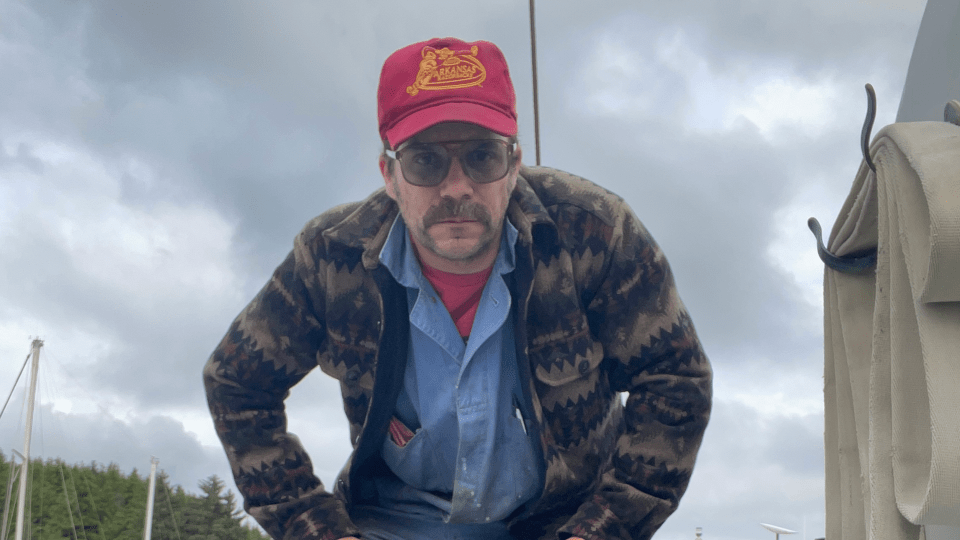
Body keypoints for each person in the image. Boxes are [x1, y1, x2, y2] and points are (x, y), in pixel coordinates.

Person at [203, 37, 712, 540]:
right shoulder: (329, 257)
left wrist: (605, 529)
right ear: (390, 173)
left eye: (481, 157)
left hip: (565, 518)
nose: (456, 187)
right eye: (425, 161)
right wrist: (313, 527)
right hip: (394, 519)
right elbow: (236, 382)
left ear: (513, 166)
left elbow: (674, 375)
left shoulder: (596, 234)